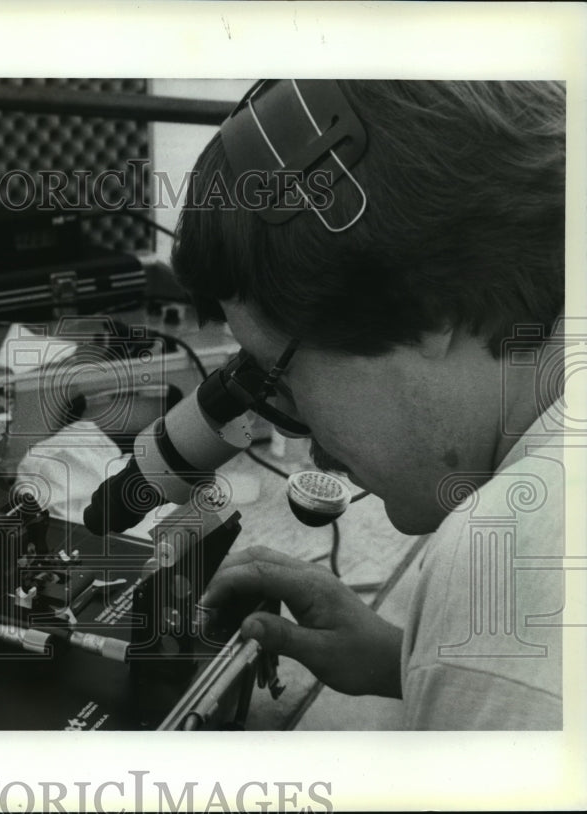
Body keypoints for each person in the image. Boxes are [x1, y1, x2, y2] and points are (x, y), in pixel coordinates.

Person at [172, 80, 566, 729]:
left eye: (281, 376)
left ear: (428, 307)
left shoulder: (509, 560)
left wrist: (477, 666)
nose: (307, 439)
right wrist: (414, 661)